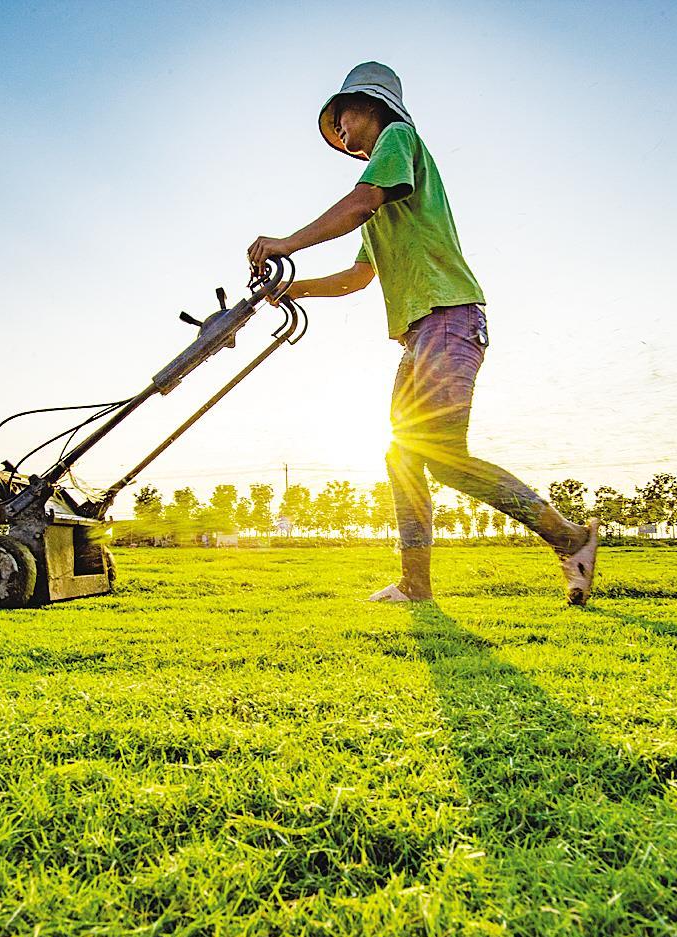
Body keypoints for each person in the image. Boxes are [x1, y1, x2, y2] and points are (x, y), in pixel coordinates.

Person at [247, 62, 598, 605]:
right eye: (334, 124)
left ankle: (570, 538)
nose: (338, 131)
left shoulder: (397, 140)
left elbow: (360, 202)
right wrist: (290, 291)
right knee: (403, 456)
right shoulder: (382, 200)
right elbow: (356, 278)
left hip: (449, 317)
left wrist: (287, 243)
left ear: (374, 107)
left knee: (440, 455)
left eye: (343, 115)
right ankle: (416, 586)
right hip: (419, 334)